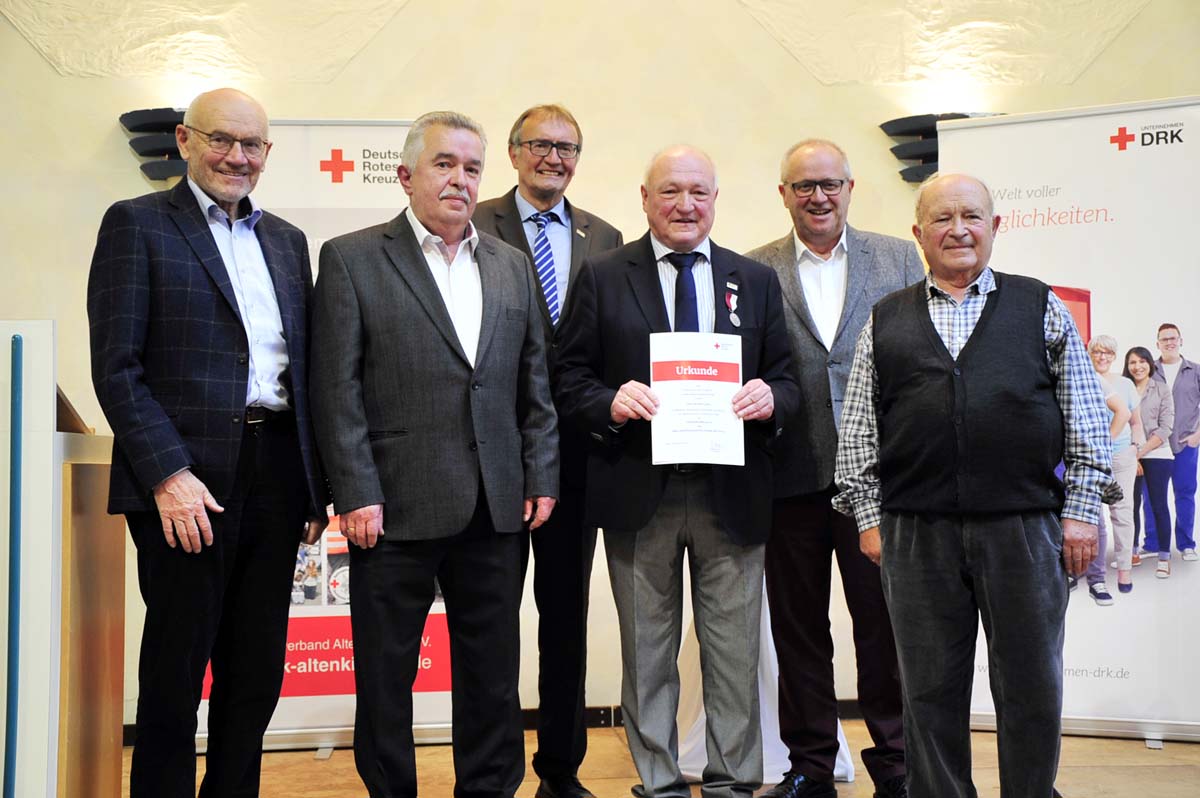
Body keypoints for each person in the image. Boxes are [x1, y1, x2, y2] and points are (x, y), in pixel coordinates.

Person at [834, 173, 1113, 797]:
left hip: (1024, 528)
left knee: (1032, 686)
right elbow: (856, 432)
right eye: (941, 219)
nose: (957, 229)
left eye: (971, 216)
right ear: (918, 235)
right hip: (916, 535)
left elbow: (1087, 422)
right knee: (928, 693)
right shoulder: (886, 320)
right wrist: (870, 517)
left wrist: (1081, 512)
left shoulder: (1040, 306)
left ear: (994, 226)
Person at [309, 110, 559, 798]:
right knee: (386, 678)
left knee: (492, 674)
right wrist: (356, 490)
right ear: (406, 176)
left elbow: (532, 380)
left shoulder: (511, 265)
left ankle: (488, 789)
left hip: (496, 505)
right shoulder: (353, 258)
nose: (459, 179)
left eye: (472, 167)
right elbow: (337, 389)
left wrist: (540, 473)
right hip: (392, 509)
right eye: (444, 164)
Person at [87, 88, 328, 798]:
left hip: (276, 472)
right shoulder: (137, 225)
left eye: (251, 144)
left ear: (268, 154)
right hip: (186, 483)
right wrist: (168, 475)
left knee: (256, 672)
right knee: (176, 669)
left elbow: (302, 370)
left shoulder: (287, 241)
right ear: (186, 141)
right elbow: (117, 367)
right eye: (221, 140)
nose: (236, 156)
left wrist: (314, 484)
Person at [553, 145, 799, 798]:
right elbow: (567, 375)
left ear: (716, 200)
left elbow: (788, 379)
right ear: (644, 198)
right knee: (648, 655)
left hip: (732, 492)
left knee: (734, 654)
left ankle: (730, 783)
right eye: (670, 192)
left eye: (698, 191)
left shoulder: (755, 279)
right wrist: (608, 401)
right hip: (639, 491)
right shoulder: (603, 276)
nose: (685, 205)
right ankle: (659, 784)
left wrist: (772, 398)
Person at [745, 139, 921, 798]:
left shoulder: (901, 259)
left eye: (829, 184)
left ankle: (897, 764)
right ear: (783, 193)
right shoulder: (754, 269)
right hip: (786, 479)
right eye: (803, 185)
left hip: (879, 484)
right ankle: (810, 765)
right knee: (798, 631)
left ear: (850, 188)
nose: (817, 196)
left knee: (885, 625)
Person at [473, 104, 624, 798]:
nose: (554, 158)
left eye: (568, 147)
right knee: (494, 623)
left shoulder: (607, 238)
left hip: (581, 460)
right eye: (541, 144)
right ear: (513, 152)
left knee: (565, 621)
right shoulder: (473, 226)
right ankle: (493, 772)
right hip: (495, 457)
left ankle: (560, 772)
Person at [1085, 335, 1139, 596]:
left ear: (1114, 356)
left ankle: (1125, 569)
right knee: (1093, 515)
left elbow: (1134, 420)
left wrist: (1135, 450)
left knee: (1122, 511)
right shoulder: (1083, 380)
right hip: (1093, 458)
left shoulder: (1125, 384)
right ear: (1090, 354)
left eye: (1107, 353)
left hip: (1120, 456)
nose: (1102, 357)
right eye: (1097, 352)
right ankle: (1095, 574)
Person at [1123, 346, 1175, 575]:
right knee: (1130, 505)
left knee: (1159, 505)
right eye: (1132, 362)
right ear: (1128, 365)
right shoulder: (1123, 388)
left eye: (1142, 361)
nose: (1138, 366)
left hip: (1156, 452)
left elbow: (1165, 429)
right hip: (1129, 453)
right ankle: (1131, 551)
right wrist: (1131, 453)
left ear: (1149, 364)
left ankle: (1164, 556)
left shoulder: (1162, 389)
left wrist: (1139, 452)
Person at [1153, 323, 1200, 562]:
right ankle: (1152, 543)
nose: (1169, 342)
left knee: (1185, 493)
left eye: (1173, 338)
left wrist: (1197, 434)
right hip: (1155, 446)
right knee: (1154, 495)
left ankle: (1186, 544)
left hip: (1185, 443)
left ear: (1181, 340)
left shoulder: (1195, 370)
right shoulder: (1148, 369)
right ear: (1157, 343)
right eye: (1164, 339)